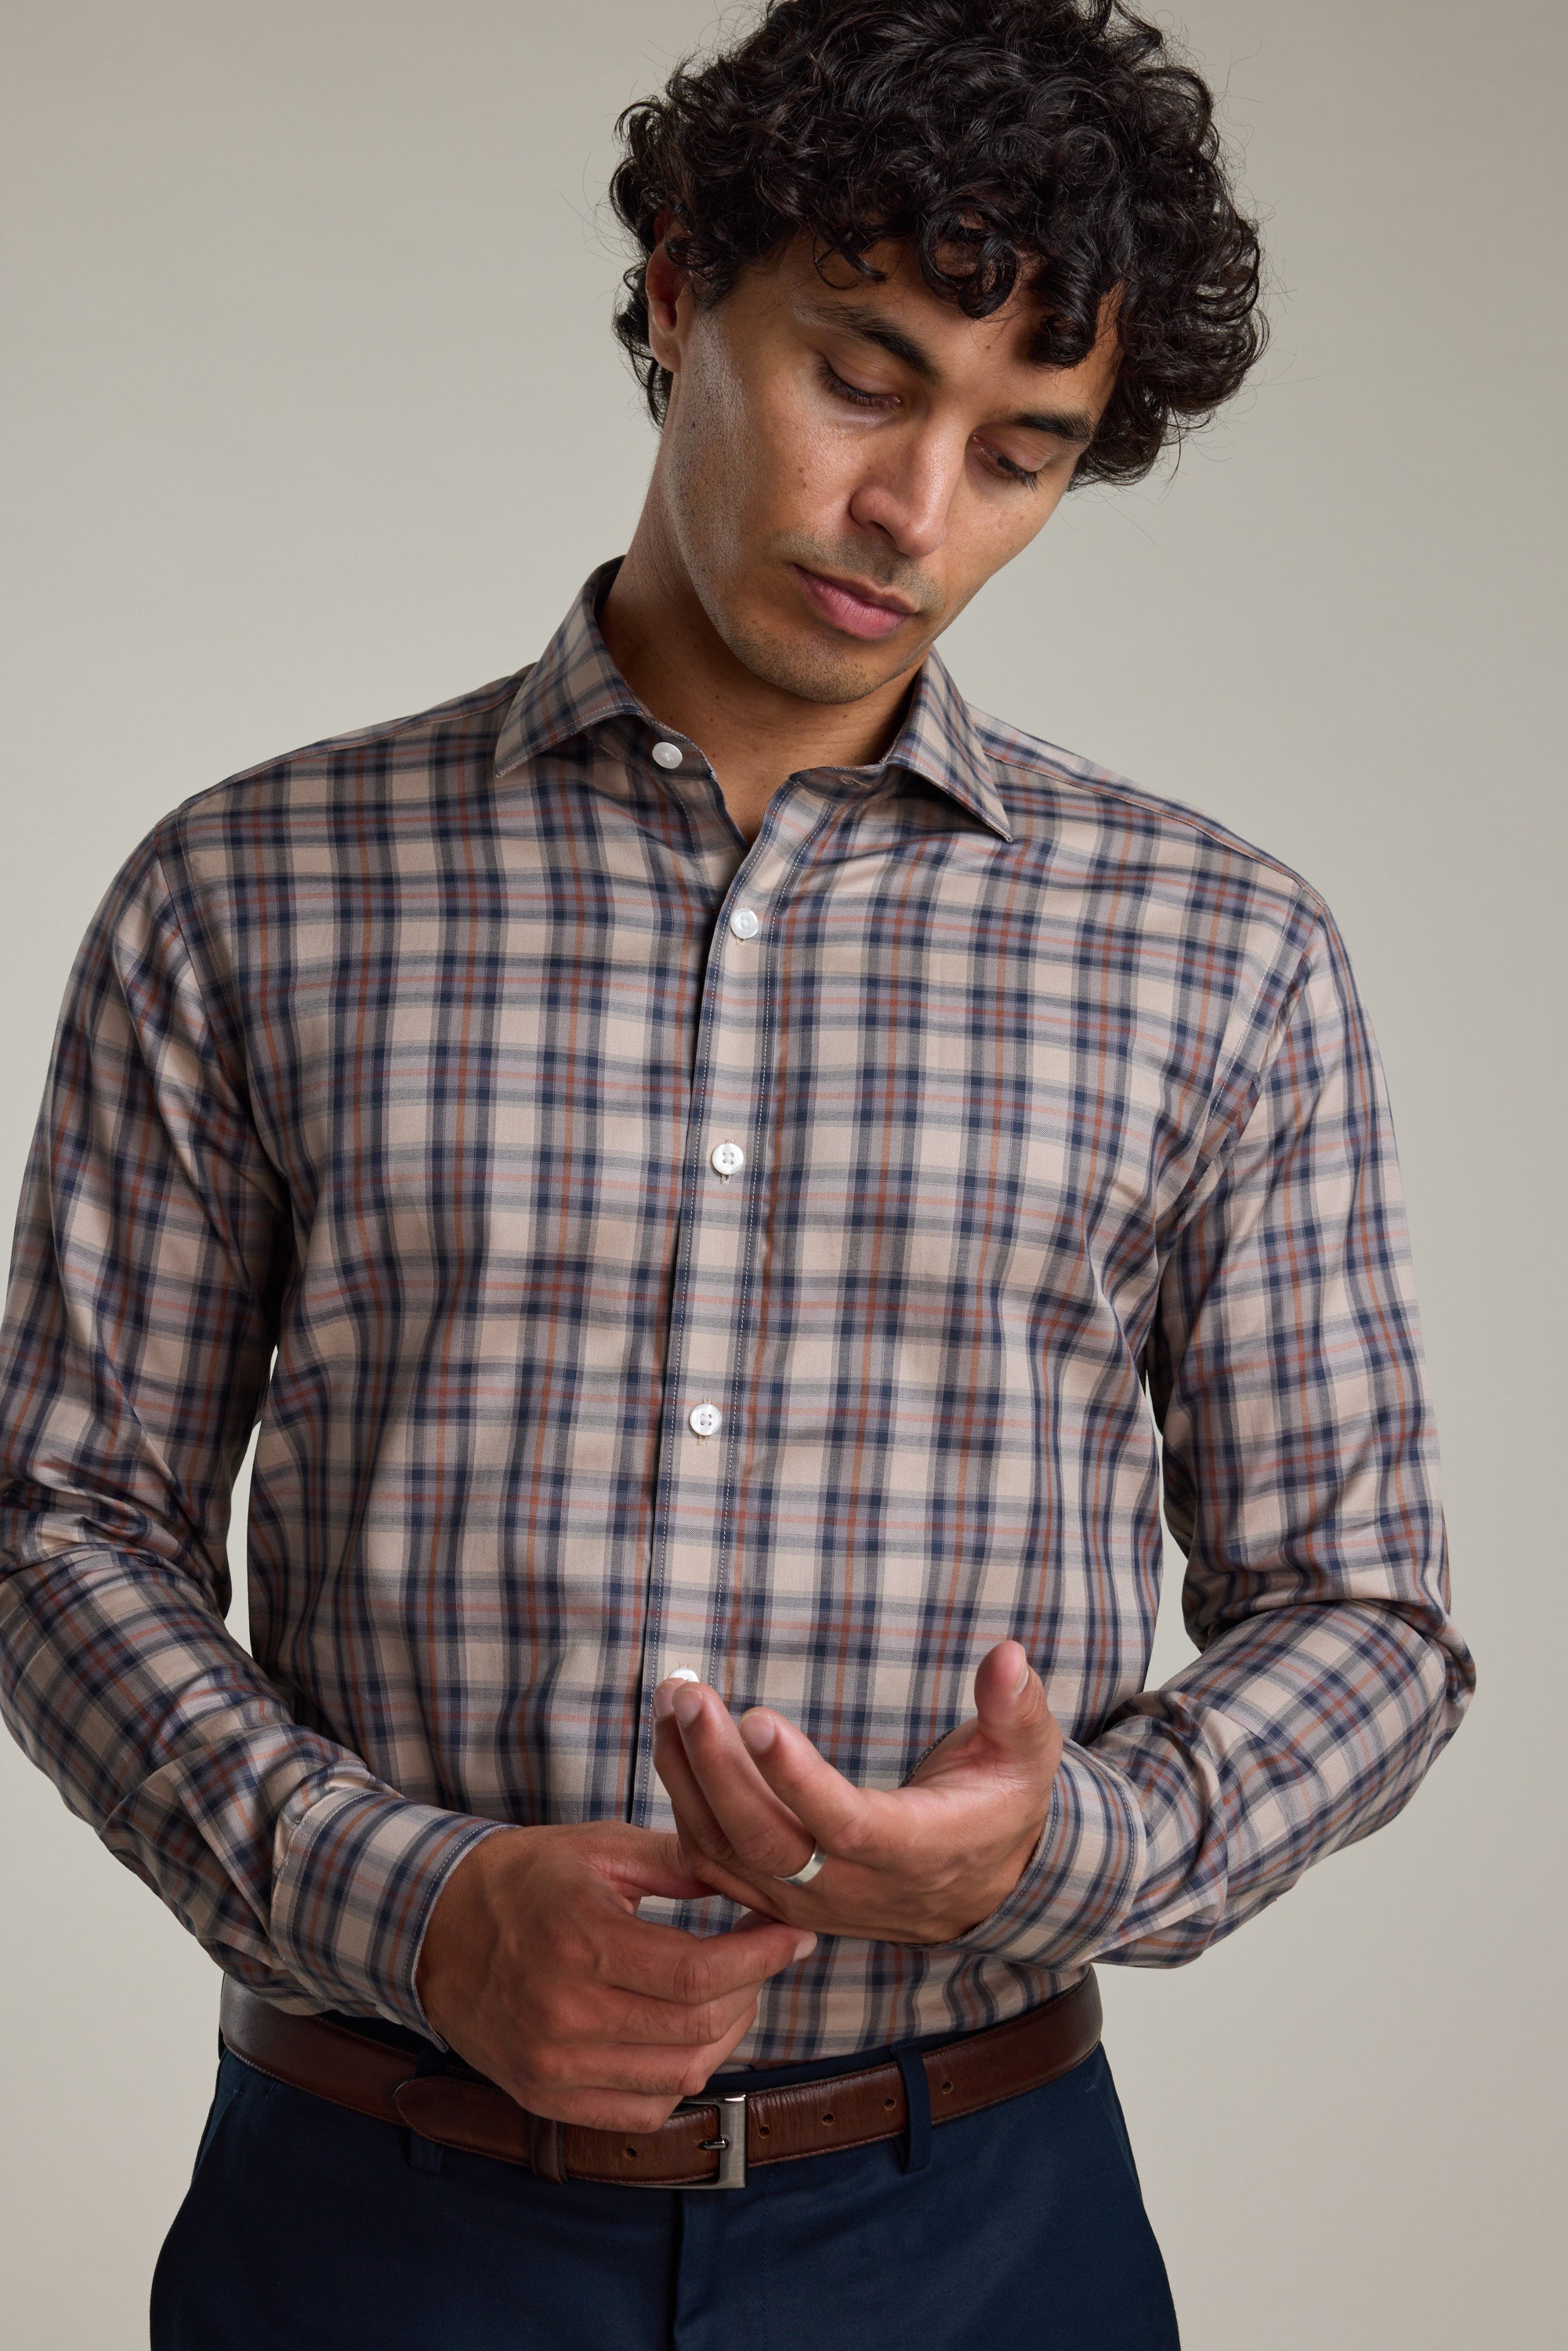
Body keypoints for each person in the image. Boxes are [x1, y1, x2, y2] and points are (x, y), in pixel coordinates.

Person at [0, 2, 1474, 2344]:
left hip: (976, 2232)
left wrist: (1056, 1847)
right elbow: (61, 1519)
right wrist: (412, 1907)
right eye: (865, 378)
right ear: (685, 286)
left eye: (1021, 452)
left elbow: (1366, 1615)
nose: (914, 514)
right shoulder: (250, 890)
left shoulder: (1221, 953)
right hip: (374, 2226)